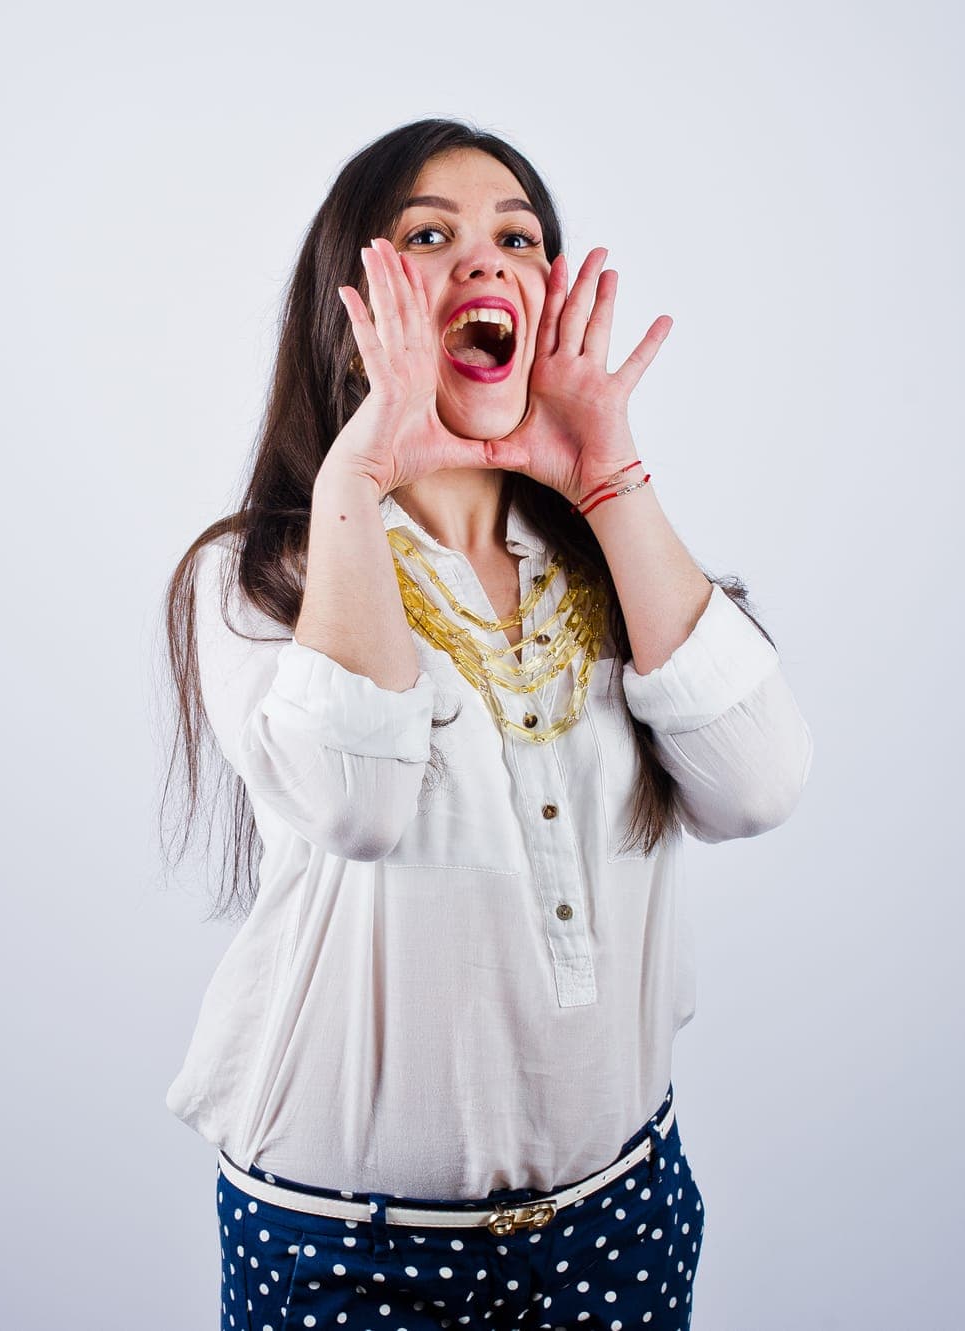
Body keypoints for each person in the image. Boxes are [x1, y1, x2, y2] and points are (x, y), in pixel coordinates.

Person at [157, 119, 813, 1331]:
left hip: (619, 1218)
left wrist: (608, 481)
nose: (485, 260)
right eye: (428, 235)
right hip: (345, 1248)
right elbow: (355, 805)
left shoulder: (612, 557)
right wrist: (360, 477)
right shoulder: (258, 579)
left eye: (517, 236)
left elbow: (758, 783)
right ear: (353, 300)